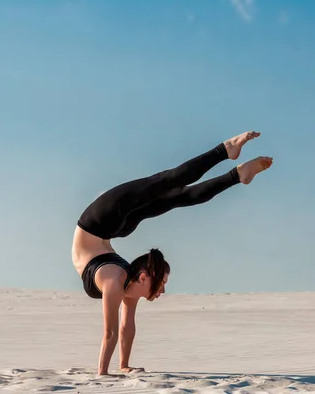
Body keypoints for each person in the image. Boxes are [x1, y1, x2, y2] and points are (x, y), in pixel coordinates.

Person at [71, 131, 273, 376]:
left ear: (143, 276)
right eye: (163, 282)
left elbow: (116, 330)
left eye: (162, 283)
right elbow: (120, 330)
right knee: (172, 189)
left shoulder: (117, 281)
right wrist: (114, 369)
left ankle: (231, 162)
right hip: (113, 225)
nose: (163, 289)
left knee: (171, 187)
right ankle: (234, 169)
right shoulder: (123, 280)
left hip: (98, 219)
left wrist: (111, 370)